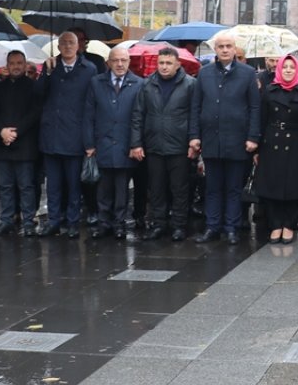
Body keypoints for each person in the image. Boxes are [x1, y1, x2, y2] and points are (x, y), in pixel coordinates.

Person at [191, 31, 261, 244]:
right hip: (211, 140)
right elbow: (196, 106)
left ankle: (231, 227)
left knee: (233, 188)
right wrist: (194, 136)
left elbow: (255, 107)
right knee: (212, 187)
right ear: (215, 49)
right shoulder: (205, 73)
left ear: (234, 49)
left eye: (228, 46)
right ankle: (212, 227)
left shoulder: (248, 74)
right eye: (221, 46)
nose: (224, 50)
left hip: (238, 141)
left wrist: (253, 137)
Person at [131, 47, 198, 241]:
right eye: (161, 63)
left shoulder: (190, 85)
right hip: (154, 146)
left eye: (169, 63)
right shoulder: (147, 85)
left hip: (179, 146)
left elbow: (195, 115)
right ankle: (158, 224)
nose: (164, 67)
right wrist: (136, 143)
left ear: (178, 65)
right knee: (156, 188)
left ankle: (179, 226)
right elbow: (138, 115)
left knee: (179, 189)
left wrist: (193, 142)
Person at [36, 31, 97, 238]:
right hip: (51, 134)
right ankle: (54, 220)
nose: (68, 47)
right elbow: (38, 94)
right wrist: (47, 73)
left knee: (73, 184)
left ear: (78, 45)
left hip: (75, 135)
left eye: (72, 43)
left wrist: (89, 140)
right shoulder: (51, 67)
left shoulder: (89, 69)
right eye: (64, 43)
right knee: (53, 184)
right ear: (59, 47)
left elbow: (91, 105)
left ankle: (72, 222)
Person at [83, 47, 143, 239]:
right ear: (108, 62)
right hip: (102, 144)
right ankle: (103, 223)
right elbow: (88, 116)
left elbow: (139, 117)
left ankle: (119, 224)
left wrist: (136, 144)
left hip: (126, 145)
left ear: (129, 62)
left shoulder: (138, 84)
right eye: (115, 60)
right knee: (103, 187)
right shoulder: (96, 82)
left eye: (123, 60)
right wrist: (89, 144)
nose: (119, 64)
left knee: (122, 188)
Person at [256, 56, 298, 244]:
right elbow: (261, 120)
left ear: (296, 70)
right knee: (272, 185)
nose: (288, 70)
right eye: (285, 67)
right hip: (271, 142)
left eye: (292, 67)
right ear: (279, 69)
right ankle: (275, 225)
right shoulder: (269, 91)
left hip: (295, 144)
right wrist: (256, 148)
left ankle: (289, 224)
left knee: (292, 187)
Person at [0, 50, 42, 236]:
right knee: (5, 186)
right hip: (2, 144)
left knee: (26, 186)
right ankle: (6, 220)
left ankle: (28, 221)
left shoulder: (34, 87)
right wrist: (2, 131)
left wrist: (16, 132)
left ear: (25, 65)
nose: (16, 66)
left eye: (19, 63)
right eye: (12, 63)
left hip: (25, 144)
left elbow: (35, 113)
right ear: (7, 66)